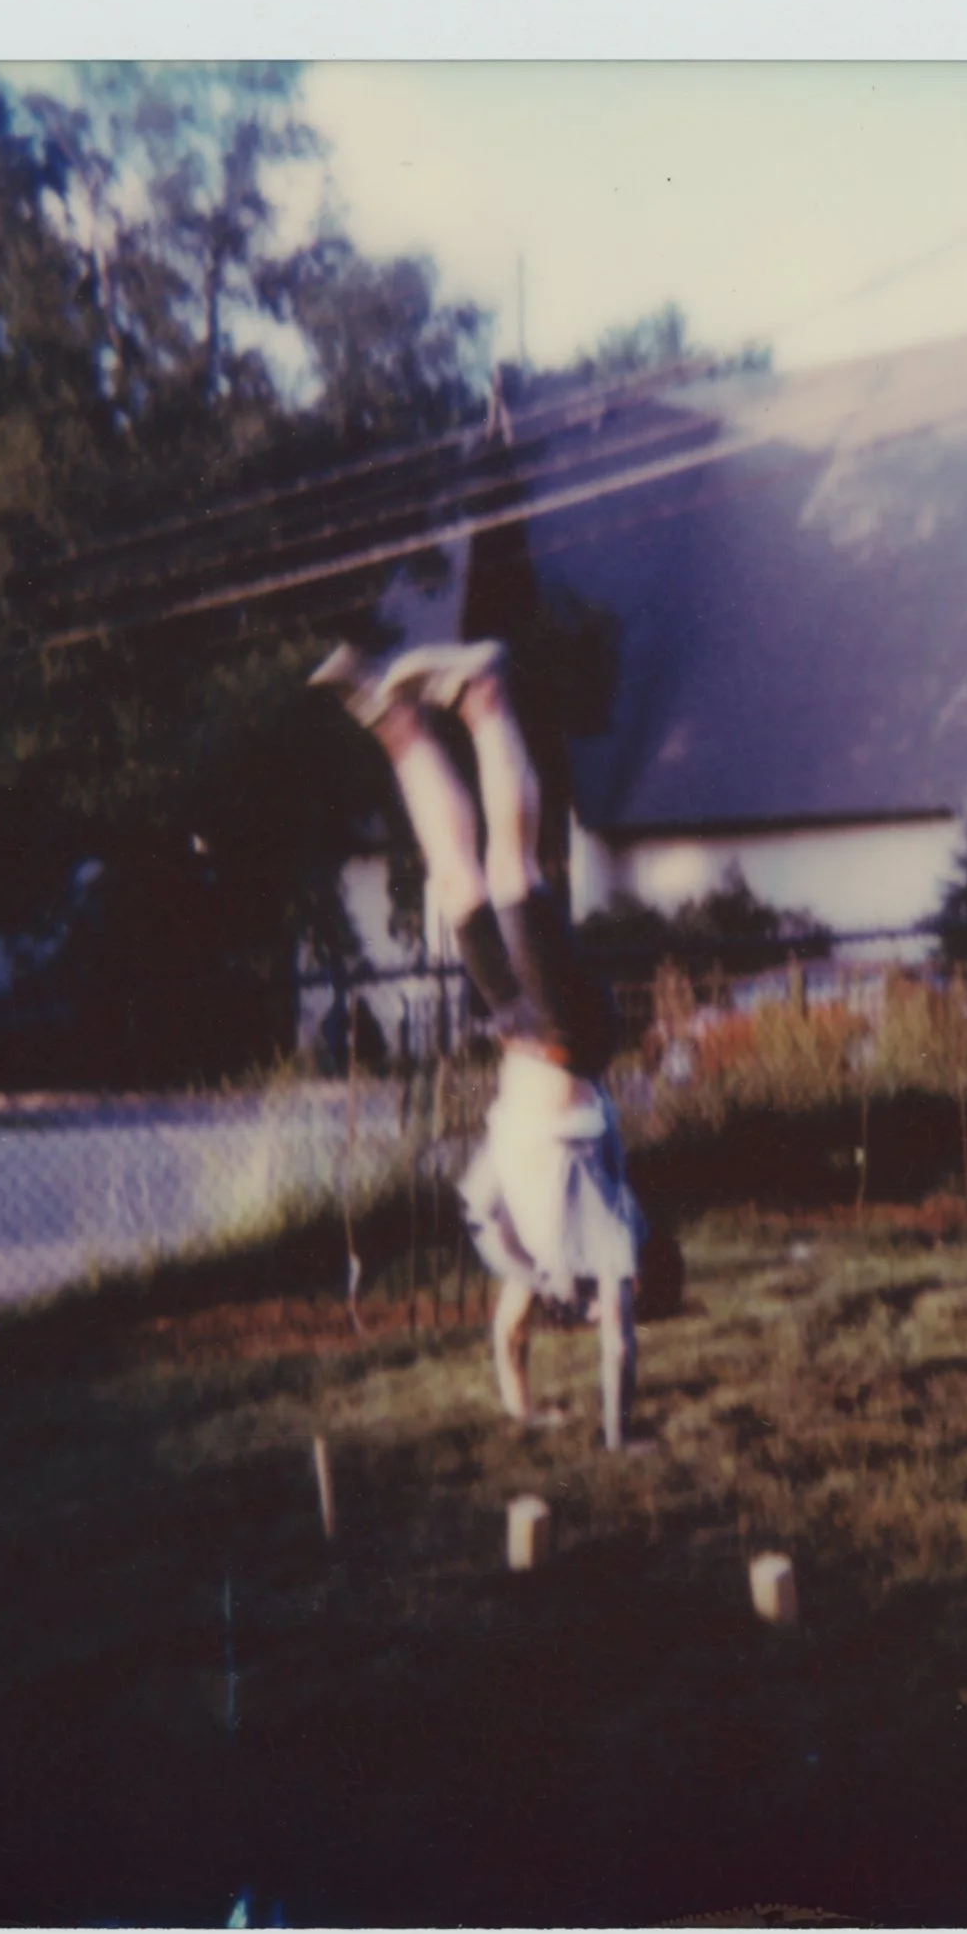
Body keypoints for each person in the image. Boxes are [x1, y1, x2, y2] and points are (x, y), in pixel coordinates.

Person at [309, 618, 647, 1450]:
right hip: (570, 1032)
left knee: (456, 884)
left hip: (516, 1031)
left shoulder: (529, 1265)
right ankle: (486, 694)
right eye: (614, 1299)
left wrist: (524, 1408)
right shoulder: (614, 1241)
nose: (601, 1307)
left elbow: (505, 1337)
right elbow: (620, 1347)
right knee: (510, 874)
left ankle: (396, 724)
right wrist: (616, 1436)